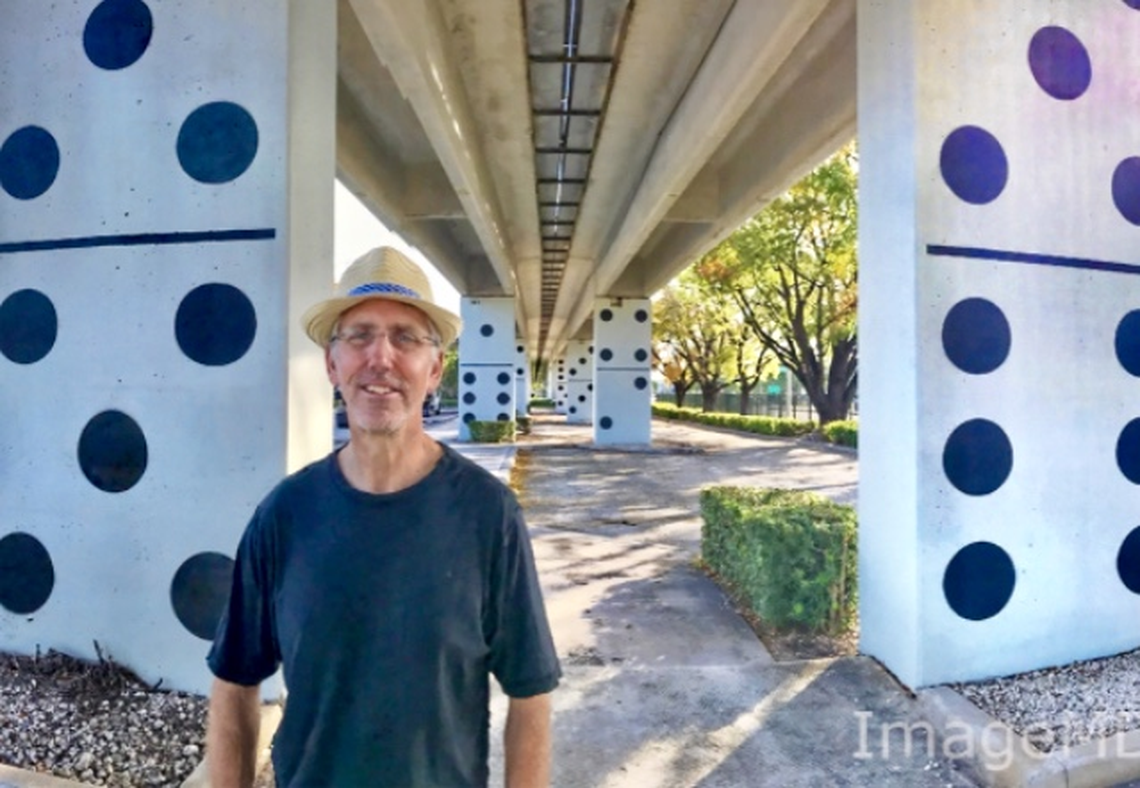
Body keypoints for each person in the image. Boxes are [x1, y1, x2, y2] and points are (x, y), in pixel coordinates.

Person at [204, 246, 561, 787]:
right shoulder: (284, 515)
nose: (381, 358)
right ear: (331, 363)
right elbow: (234, 684)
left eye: (405, 337)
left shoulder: (488, 515)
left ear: (435, 367)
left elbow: (530, 692)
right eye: (360, 335)